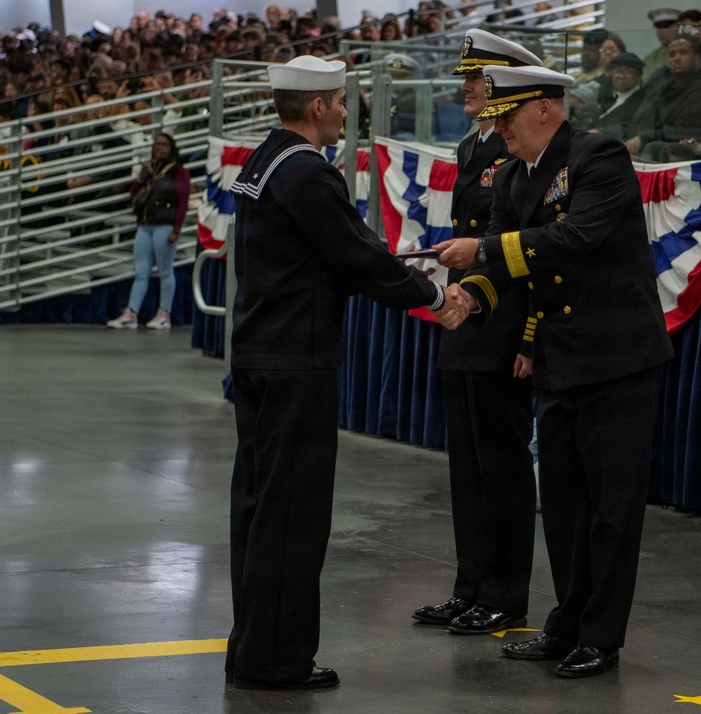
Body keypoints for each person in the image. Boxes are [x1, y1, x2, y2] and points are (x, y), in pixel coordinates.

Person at [435, 64, 674, 678]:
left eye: (507, 117)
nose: (499, 129)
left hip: (616, 356)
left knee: (611, 508)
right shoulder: (513, 174)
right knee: (565, 506)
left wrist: (482, 251)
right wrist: (470, 298)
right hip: (560, 357)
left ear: (544, 108)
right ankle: (566, 623)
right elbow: (500, 261)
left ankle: (601, 636)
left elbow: (574, 238)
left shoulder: (599, 157)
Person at [225, 55, 453, 691]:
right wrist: (434, 296)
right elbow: (355, 257)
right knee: (292, 515)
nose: (347, 113)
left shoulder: (264, 159)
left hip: (259, 350)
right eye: (342, 102)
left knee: (257, 507)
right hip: (296, 359)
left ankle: (250, 650)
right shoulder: (307, 171)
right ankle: (277, 662)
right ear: (319, 105)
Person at [412, 28, 542, 637]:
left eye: (476, 79)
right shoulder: (473, 145)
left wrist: (529, 337)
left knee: (503, 468)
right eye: (466, 78)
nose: (466, 88)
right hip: (466, 316)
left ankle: (505, 593)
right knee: (467, 467)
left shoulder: (521, 151)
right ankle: (470, 587)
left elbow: (532, 252)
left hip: (504, 320)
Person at [106, 133, 190, 330]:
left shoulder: (179, 172)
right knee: (141, 271)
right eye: (157, 145)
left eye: (164, 145)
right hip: (145, 225)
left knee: (165, 270)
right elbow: (134, 195)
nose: (160, 148)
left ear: (171, 148)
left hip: (165, 225)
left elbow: (183, 202)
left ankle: (164, 313)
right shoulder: (151, 171)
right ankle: (131, 313)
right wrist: (140, 178)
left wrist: (177, 229)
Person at [642, 7, 680, 85]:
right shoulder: (651, 58)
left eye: (665, 27)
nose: (661, 31)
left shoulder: (688, 53)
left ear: (678, 27)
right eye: (658, 27)